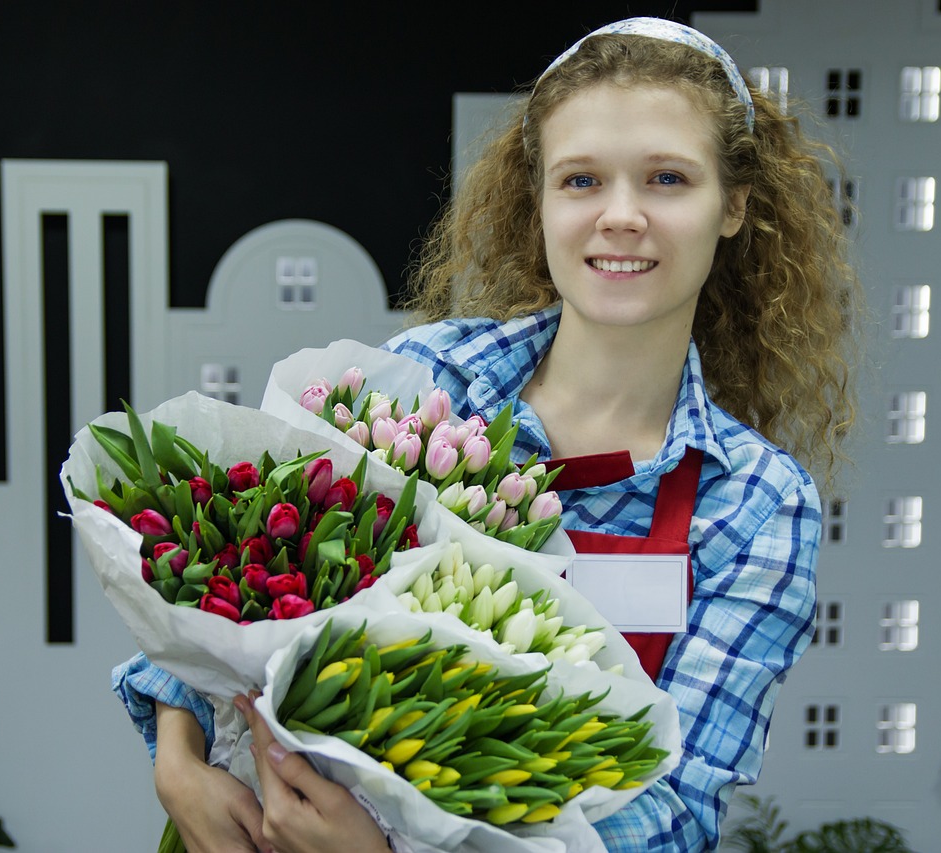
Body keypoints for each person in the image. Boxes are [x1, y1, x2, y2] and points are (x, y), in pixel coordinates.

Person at [115, 16, 860, 852]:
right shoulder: (424, 380)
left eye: (666, 178)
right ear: (535, 198)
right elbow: (225, 586)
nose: (621, 216)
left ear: (734, 207)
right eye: (580, 181)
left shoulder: (755, 503)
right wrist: (178, 765)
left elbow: (674, 819)